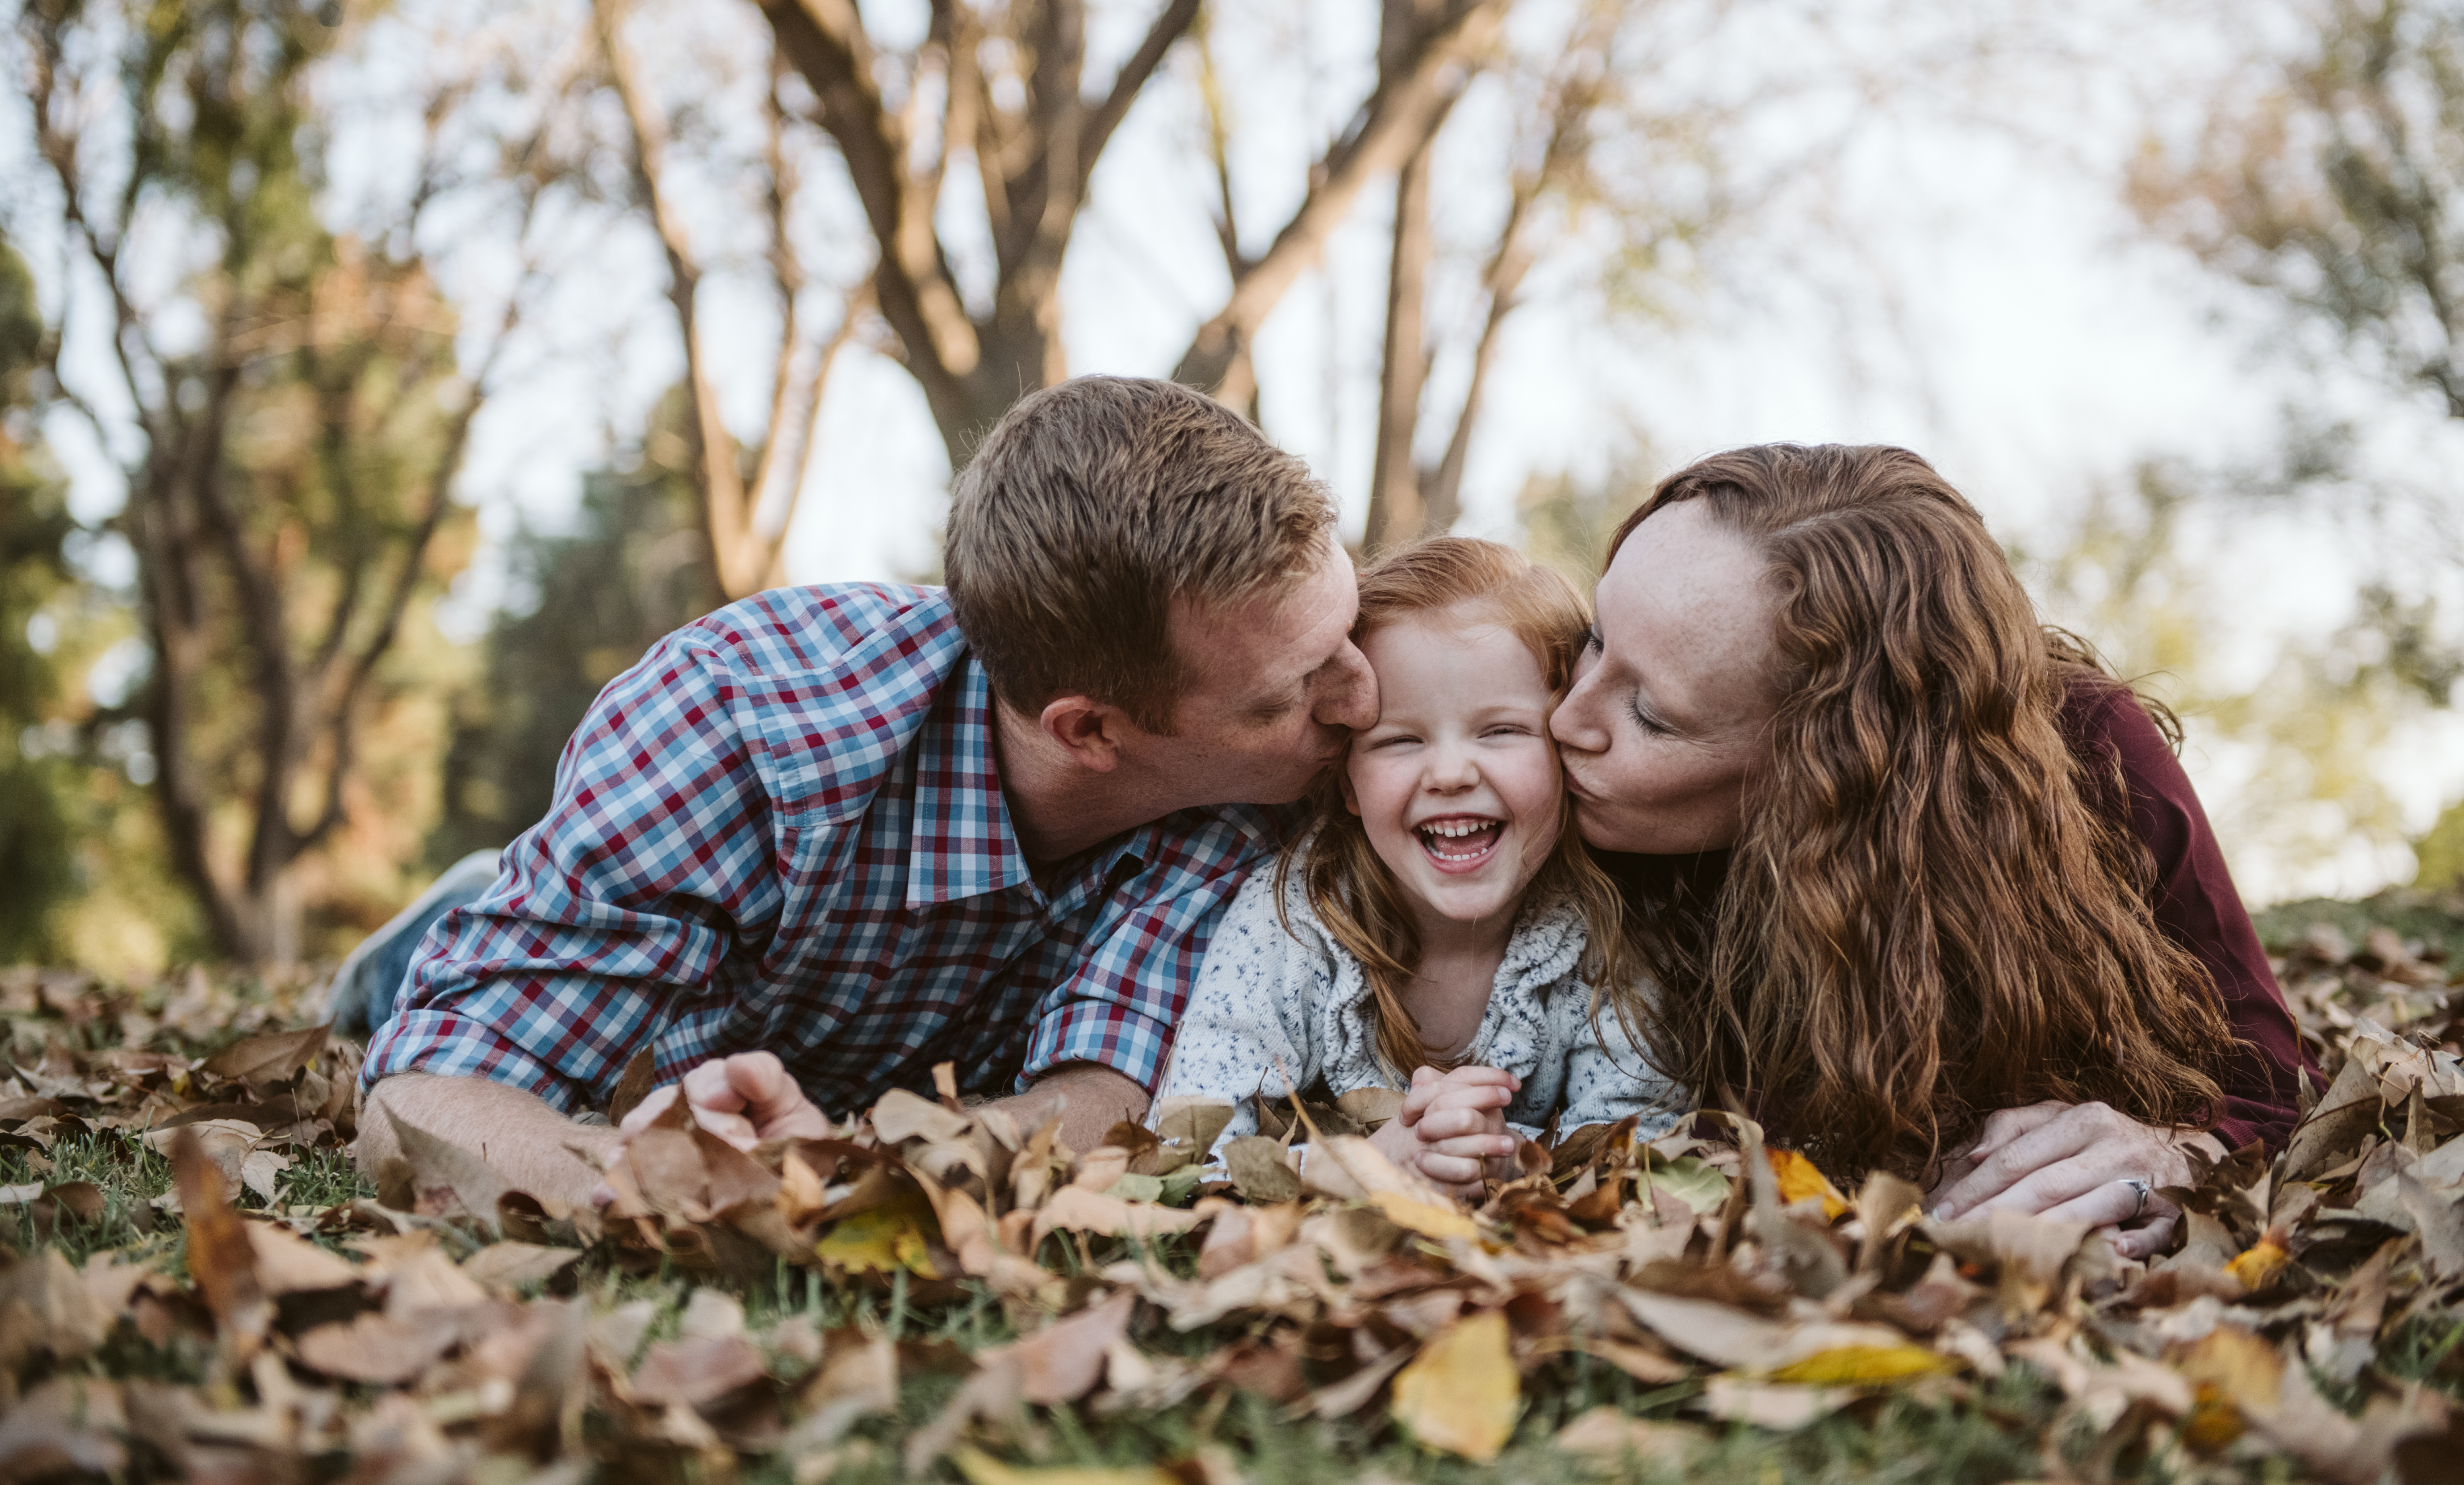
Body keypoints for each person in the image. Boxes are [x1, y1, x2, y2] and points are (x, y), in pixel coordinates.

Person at [353, 378, 1378, 1207]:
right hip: (675, 1019)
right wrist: (663, 1185)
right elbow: (422, 1100)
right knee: (412, 983)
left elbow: (1108, 1098)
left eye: (1350, 629)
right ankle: (442, 922)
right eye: (1293, 694)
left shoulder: (1265, 780)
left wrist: (842, 1174)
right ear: (1091, 730)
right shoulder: (737, 722)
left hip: (895, 1071)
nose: (1364, 699)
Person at [1549, 443, 2315, 1258]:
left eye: (1652, 716)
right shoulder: (1515, 762)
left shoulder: (2082, 756)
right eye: (1596, 638)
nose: (1565, 718)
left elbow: (2271, 1085)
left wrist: (2178, 1157)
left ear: (1826, 771)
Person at [1155, 538, 1683, 1192]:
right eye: (1401, 741)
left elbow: (1645, 1139)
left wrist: (1499, 1158)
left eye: (1501, 732)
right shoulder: (1297, 917)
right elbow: (1187, 1144)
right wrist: (1365, 1167)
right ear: (1348, 783)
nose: (1453, 773)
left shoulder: (1605, 931)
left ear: (1566, 750)